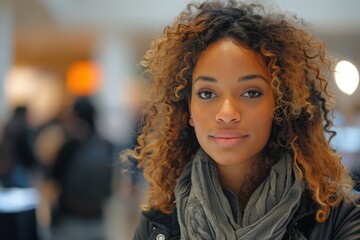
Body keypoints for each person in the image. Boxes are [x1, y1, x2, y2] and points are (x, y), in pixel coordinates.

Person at [125, 1, 360, 239]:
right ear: (188, 111)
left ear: (280, 105)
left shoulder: (340, 218)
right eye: (207, 94)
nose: (227, 113)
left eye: (251, 93)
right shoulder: (156, 226)